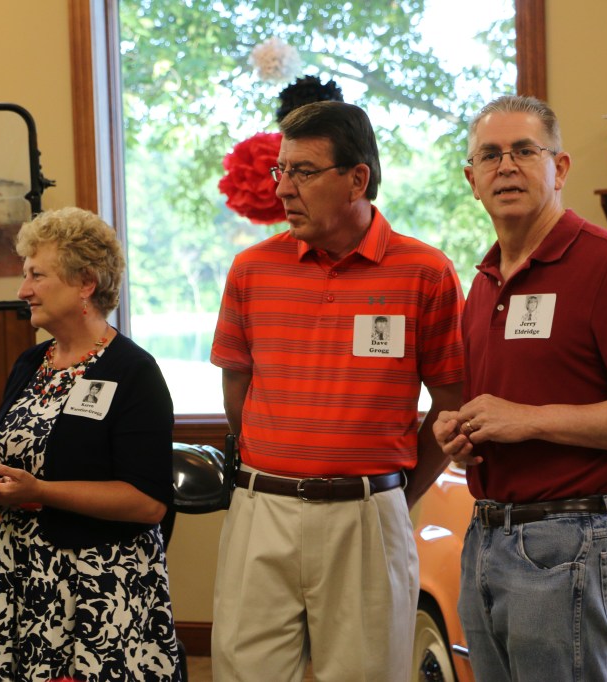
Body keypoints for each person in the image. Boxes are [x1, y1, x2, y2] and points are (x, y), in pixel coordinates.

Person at [433, 95, 607, 681]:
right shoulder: (484, 281)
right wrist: (462, 434)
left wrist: (528, 419)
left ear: (560, 168)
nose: (506, 165)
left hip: (571, 541)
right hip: (486, 535)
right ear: (472, 180)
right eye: (490, 155)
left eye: (524, 151)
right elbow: (498, 407)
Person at [210, 100, 465, 682]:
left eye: (303, 171)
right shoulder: (251, 269)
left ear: (357, 178)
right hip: (261, 506)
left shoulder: (426, 272)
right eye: (281, 170)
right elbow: (236, 387)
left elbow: (451, 402)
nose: (283, 189)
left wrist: (396, 493)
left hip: (368, 515)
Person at [0, 207, 180, 682]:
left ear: (86, 282)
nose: (23, 290)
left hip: (97, 592)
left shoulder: (133, 371)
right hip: (18, 580)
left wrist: (40, 492)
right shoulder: (31, 363)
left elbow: (148, 502)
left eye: (37, 275)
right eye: (25, 274)